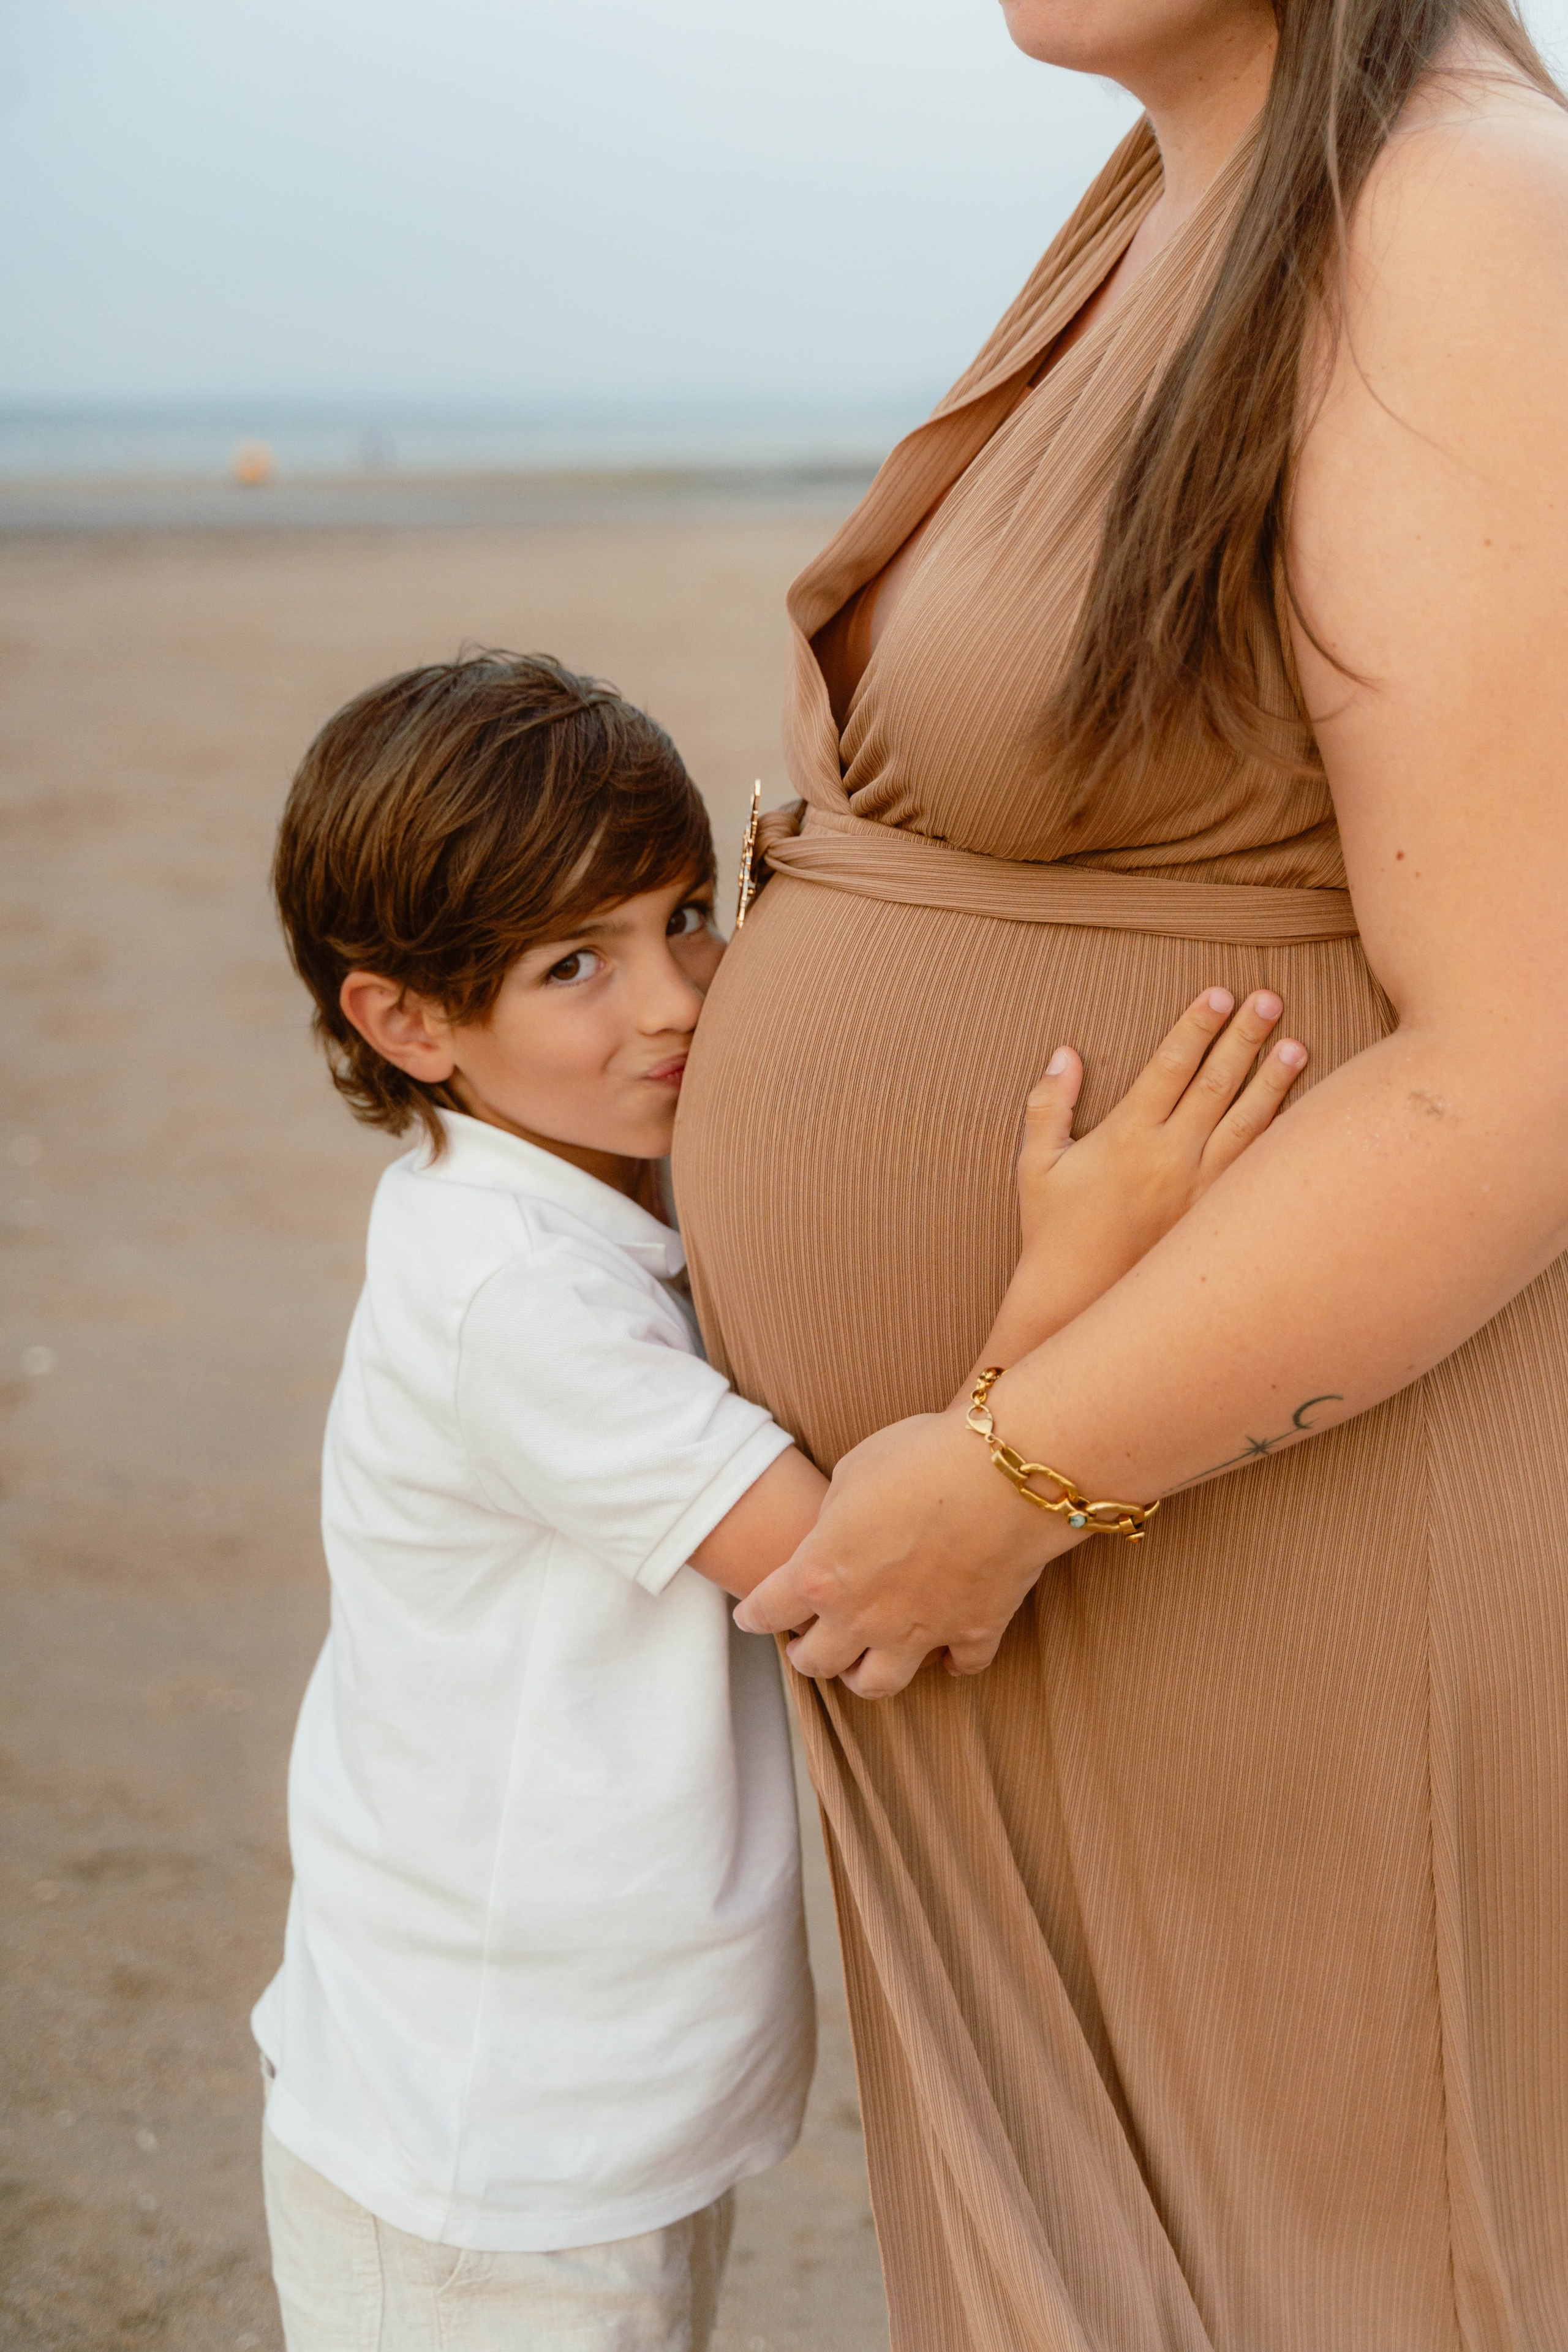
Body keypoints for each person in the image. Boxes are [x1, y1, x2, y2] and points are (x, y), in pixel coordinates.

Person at [671, 0, 1568, 2345]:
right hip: (1064, 1553)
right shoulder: (1196, 183)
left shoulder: (1452, 213)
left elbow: (1529, 1052)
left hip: (1221, 1544)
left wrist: (1011, 1470)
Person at [253, 649, 1305, 2350]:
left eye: (686, 915)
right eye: (574, 965)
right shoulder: (509, 1295)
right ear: (406, 1021)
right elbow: (845, 1579)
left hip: (595, 2088)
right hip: (482, 2129)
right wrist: (1077, 1283)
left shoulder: (585, 1192)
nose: (672, 998)